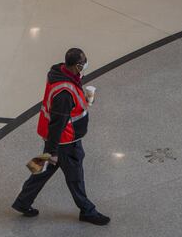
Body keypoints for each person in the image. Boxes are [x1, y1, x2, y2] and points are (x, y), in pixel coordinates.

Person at [11, 48, 110, 226]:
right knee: (75, 176)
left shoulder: (60, 72)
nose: (85, 64)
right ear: (77, 65)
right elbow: (58, 124)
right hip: (65, 141)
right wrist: (52, 150)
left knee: (44, 169)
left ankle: (22, 202)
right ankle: (87, 211)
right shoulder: (64, 94)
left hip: (57, 139)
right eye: (83, 62)